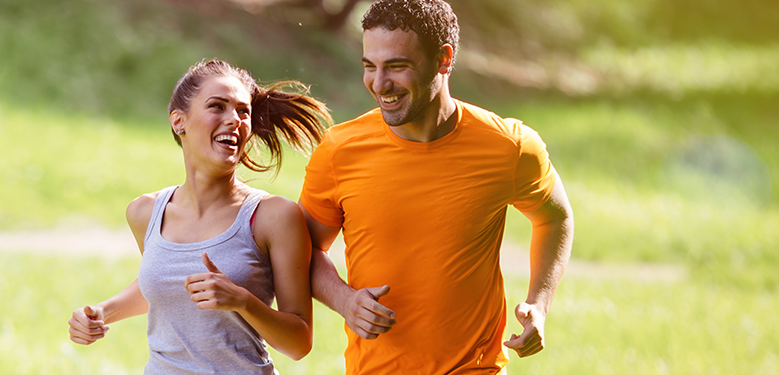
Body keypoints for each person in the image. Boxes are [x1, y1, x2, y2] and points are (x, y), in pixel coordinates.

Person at [299, 0, 575, 373]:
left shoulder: (508, 146)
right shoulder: (338, 152)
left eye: (397, 66)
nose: (379, 84)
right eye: (369, 66)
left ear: (443, 60)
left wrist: (539, 303)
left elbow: (555, 218)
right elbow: (304, 250)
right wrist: (345, 300)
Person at [67, 58, 332, 374]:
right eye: (217, 107)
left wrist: (242, 301)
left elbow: (299, 343)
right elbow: (167, 283)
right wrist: (101, 312)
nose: (234, 119)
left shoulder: (273, 217)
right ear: (179, 121)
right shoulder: (145, 212)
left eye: (243, 111)